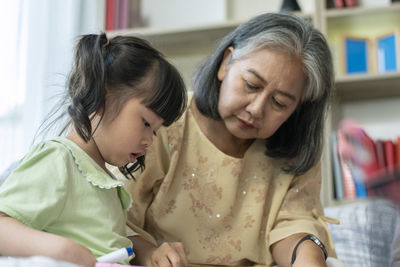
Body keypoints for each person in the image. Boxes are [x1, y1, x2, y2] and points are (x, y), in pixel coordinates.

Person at [118, 12, 344, 267]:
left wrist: (309, 255)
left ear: (298, 109)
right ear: (226, 63)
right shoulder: (164, 121)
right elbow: (119, 219)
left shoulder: (296, 149)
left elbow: (293, 225)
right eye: (251, 84)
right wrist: (150, 254)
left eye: (279, 103)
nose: (257, 109)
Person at [0, 33, 187, 267]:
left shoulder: (100, 178)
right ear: (102, 98)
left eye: (155, 131)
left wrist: (151, 254)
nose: (149, 141)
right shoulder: (59, 159)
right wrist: (58, 248)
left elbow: (118, 239)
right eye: (146, 123)